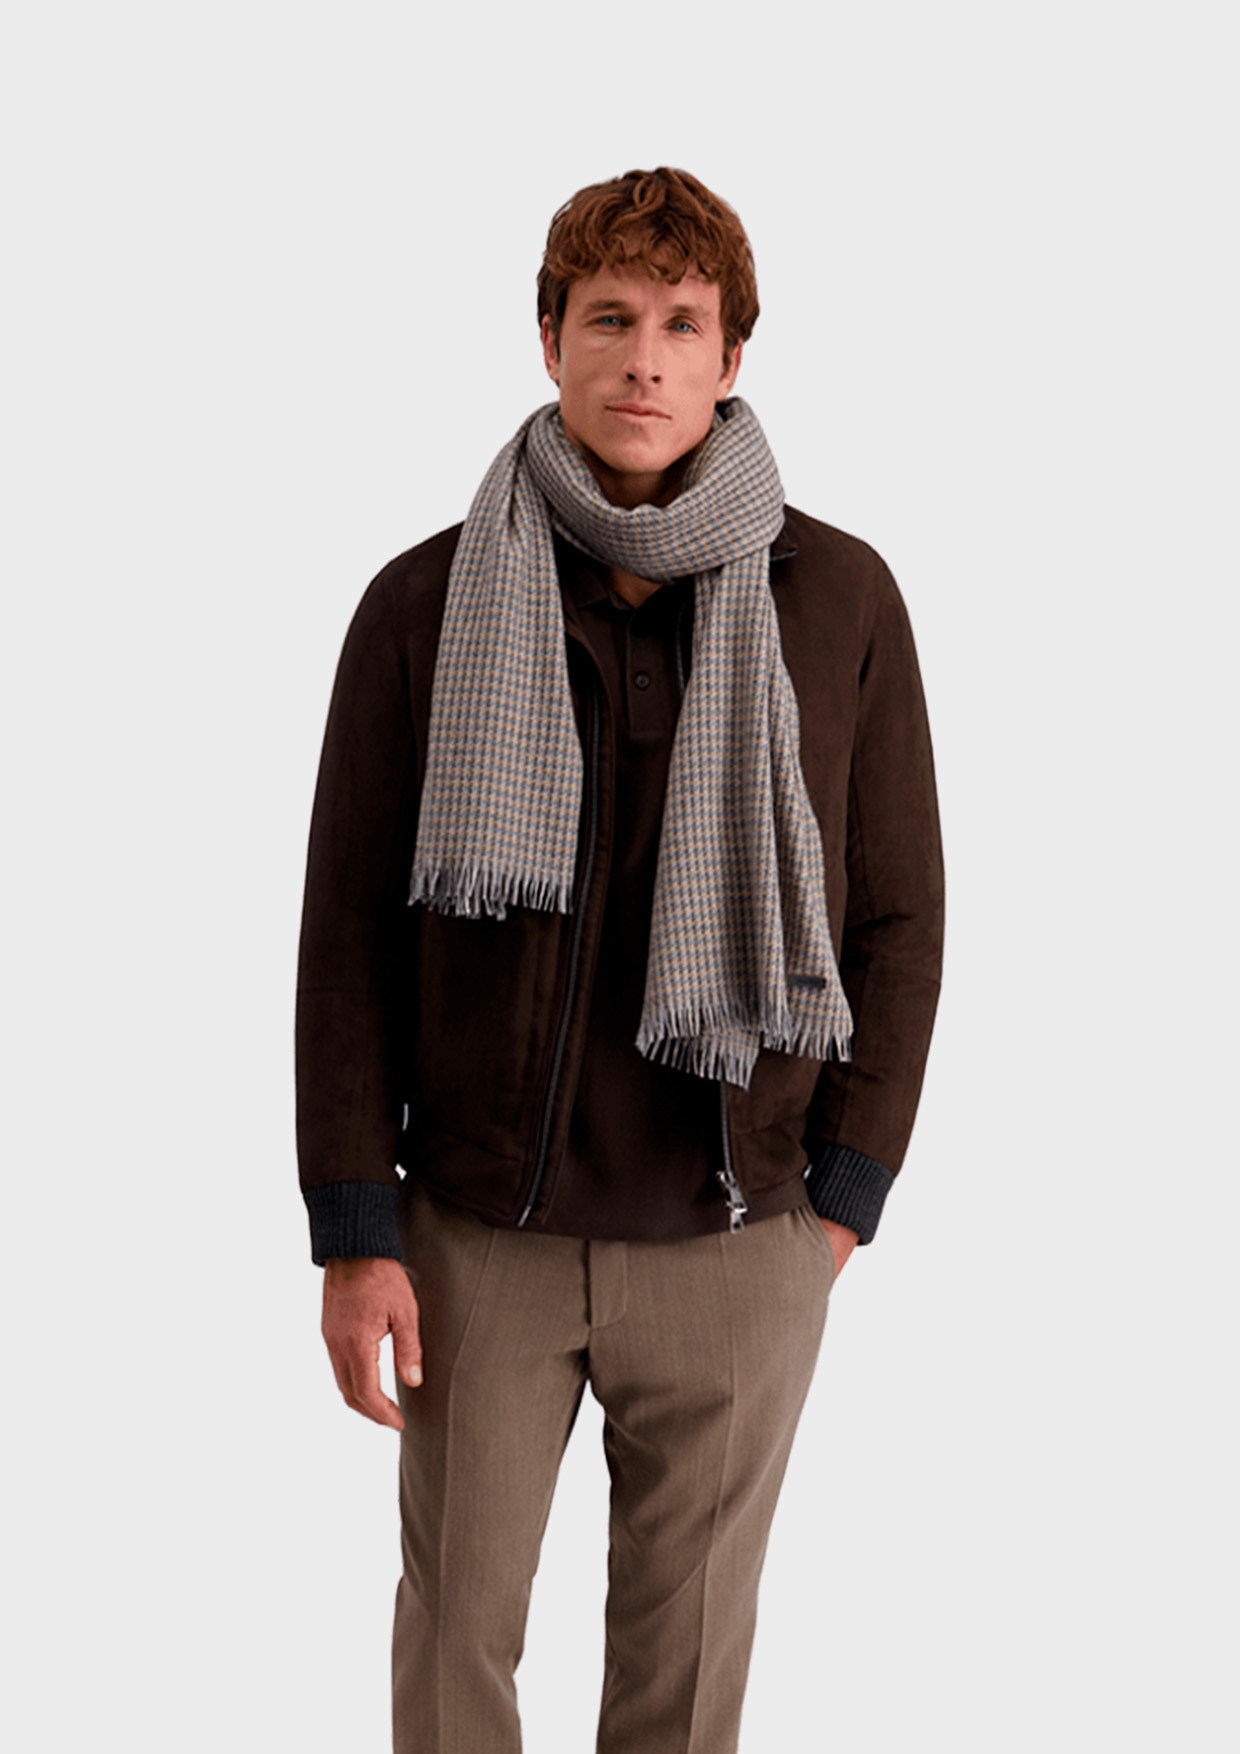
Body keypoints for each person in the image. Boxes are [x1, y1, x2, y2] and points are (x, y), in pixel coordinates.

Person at [296, 165, 944, 1754]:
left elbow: (900, 917)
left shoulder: (839, 599)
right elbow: (347, 935)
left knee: (686, 1675)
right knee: (455, 1643)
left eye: (680, 323)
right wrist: (356, 1229)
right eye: (607, 319)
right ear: (548, 340)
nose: (642, 359)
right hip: (478, 1237)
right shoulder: (425, 602)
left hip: (738, 1237)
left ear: (731, 357)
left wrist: (843, 1196)